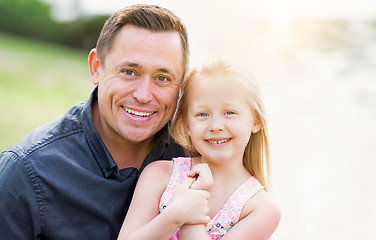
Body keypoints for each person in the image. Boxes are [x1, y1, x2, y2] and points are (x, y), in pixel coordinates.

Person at [0, 4, 189, 239]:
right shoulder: (25, 173)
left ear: (180, 88)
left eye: (163, 78)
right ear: (96, 67)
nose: (143, 95)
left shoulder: (198, 156)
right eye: (130, 71)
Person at [118, 62, 281, 239]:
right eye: (202, 114)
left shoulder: (261, 208)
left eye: (230, 112)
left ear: (255, 121)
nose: (216, 126)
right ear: (186, 125)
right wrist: (175, 214)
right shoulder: (159, 175)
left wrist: (191, 215)